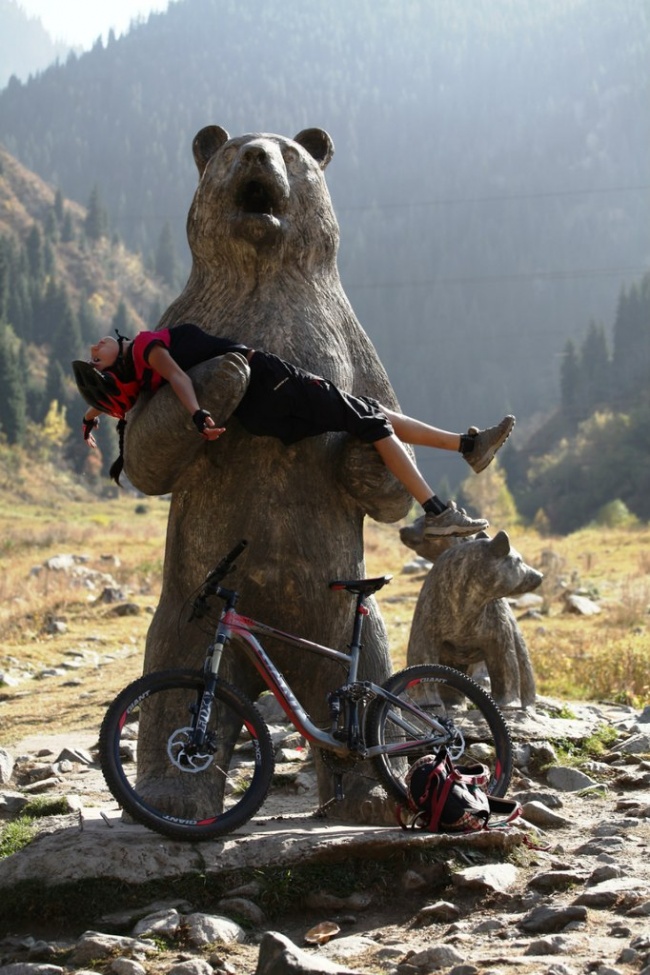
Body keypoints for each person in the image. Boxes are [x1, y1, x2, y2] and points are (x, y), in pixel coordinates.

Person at [73, 322, 515, 538]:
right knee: (373, 421)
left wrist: (90, 418)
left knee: (368, 411)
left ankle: (467, 445)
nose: (97, 347)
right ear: (115, 366)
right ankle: (436, 511)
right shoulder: (147, 348)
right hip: (271, 381)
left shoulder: (134, 390)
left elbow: (116, 403)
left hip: (262, 415)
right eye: (97, 356)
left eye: (96, 349)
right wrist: (197, 415)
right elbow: (181, 380)